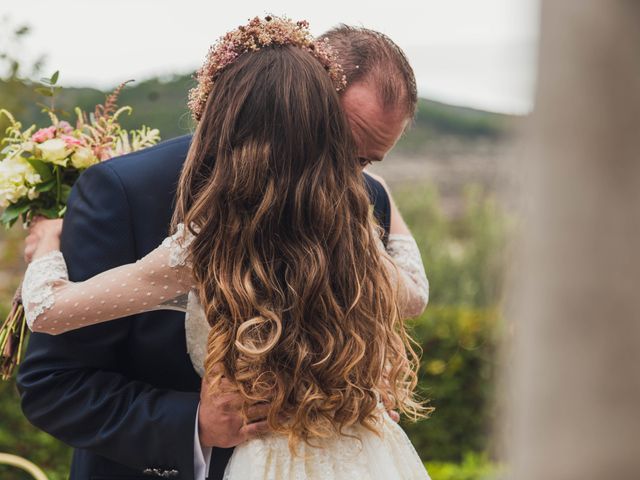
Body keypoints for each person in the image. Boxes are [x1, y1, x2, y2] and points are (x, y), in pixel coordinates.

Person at [17, 19, 427, 480]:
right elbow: (54, 384)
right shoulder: (125, 191)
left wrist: (46, 243)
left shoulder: (358, 206)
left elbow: (47, 308)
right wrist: (194, 424)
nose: (348, 176)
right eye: (342, 147)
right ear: (309, 104)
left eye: (367, 163)